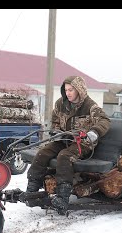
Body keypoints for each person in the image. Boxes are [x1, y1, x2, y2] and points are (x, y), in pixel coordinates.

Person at [26, 75, 110, 215]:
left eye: (71, 89)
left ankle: (63, 197)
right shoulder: (61, 104)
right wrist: (56, 130)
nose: (68, 93)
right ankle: (32, 188)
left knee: (64, 156)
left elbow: (104, 121)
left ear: (79, 90)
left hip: (83, 143)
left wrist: (94, 132)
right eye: (66, 90)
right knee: (43, 152)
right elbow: (55, 120)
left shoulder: (90, 106)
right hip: (64, 139)